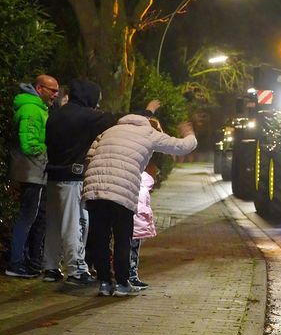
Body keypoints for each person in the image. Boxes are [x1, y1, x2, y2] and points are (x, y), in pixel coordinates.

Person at [43, 80, 158, 284]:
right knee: (76, 224)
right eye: (96, 100)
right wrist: (147, 112)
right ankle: (77, 270)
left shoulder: (56, 114)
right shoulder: (87, 116)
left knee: (54, 224)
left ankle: (50, 267)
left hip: (52, 175)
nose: (97, 105)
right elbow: (119, 118)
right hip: (73, 178)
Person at [83, 115, 196, 297]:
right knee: (122, 237)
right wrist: (189, 133)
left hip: (95, 187)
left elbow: (90, 155)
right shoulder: (148, 132)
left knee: (100, 237)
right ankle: (122, 283)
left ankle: (104, 283)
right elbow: (181, 146)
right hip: (122, 188)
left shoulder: (109, 131)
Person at [6, 75, 57, 278]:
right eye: (52, 90)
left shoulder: (37, 108)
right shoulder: (31, 110)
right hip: (31, 171)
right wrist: (49, 149)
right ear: (39, 88)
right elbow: (29, 145)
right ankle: (16, 263)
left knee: (30, 216)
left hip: (32, 171)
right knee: (27, 217)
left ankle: (25, 260)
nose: (55, 94)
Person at [128, 129, 163, 290]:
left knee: (122, 245)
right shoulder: (144, 180)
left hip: (126, 215)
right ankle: (131, 275)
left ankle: (120, 275)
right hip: (135, 220)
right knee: (132, 248)